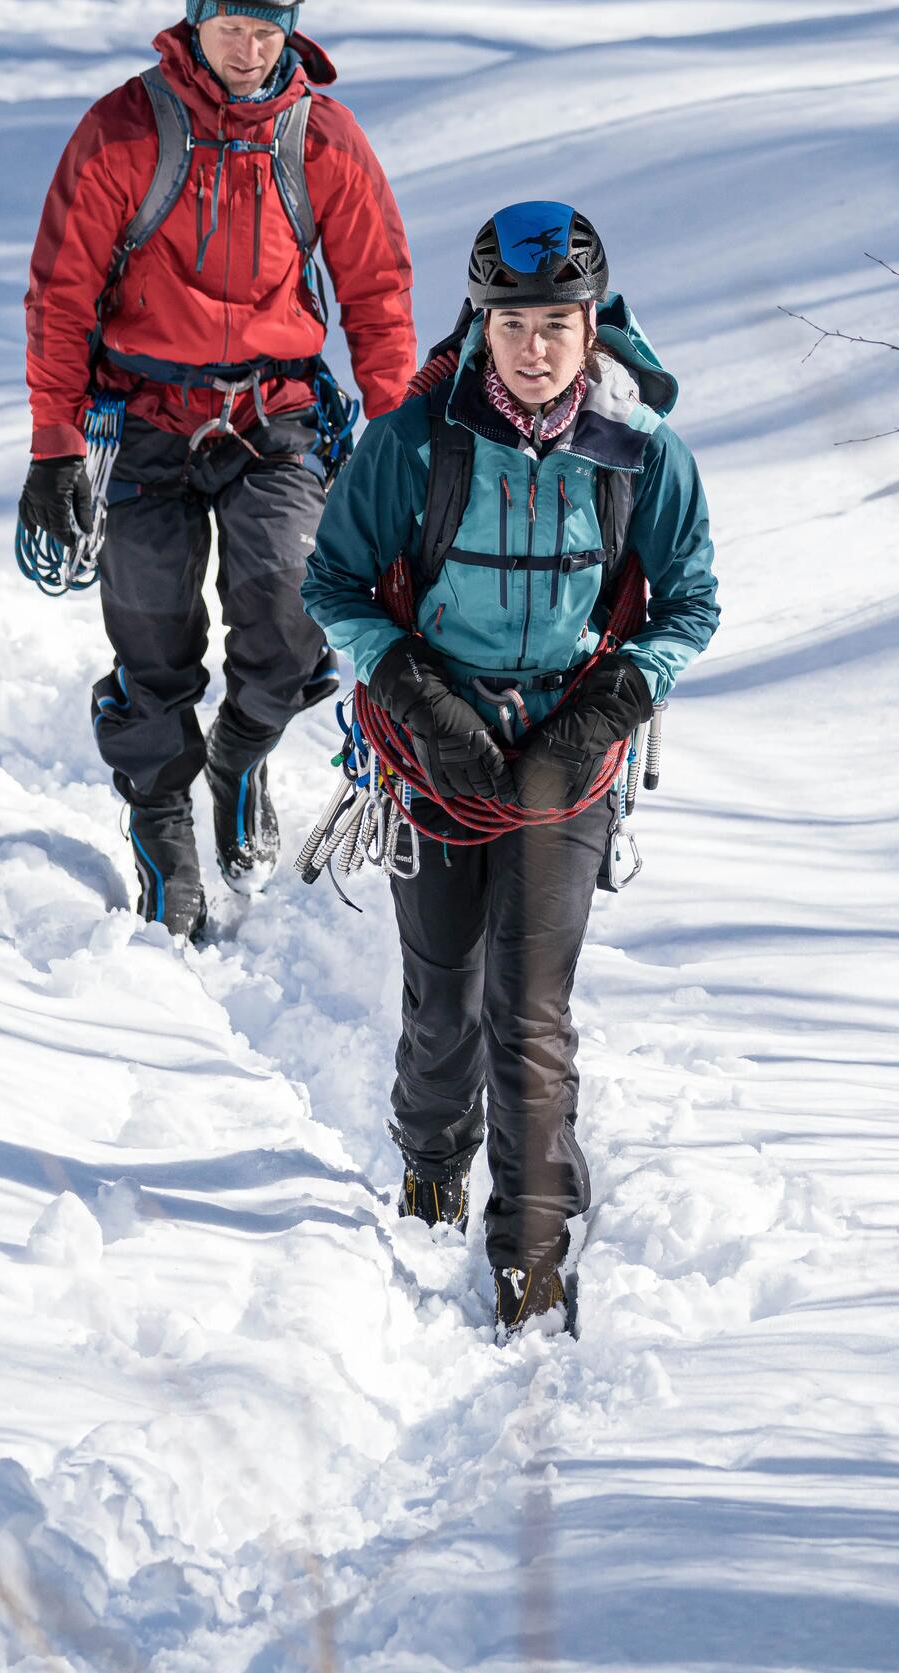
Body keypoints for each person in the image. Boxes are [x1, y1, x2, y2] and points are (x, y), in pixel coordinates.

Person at [301, 202, 719, 1338]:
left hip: (567, 755)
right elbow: (332, 585)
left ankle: (532, 1259)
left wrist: (618, 701)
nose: (536, 350)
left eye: (558, 325)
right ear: (481, 326)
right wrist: (414, 697)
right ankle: (433, 1157)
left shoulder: (641, 454)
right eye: (514, 324)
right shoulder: (416, 442)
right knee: (446, 999)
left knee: (530, 1010)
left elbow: (690, 602)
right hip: (435, 748)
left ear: (596, 328)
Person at [20, 0, 415, 942]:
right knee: (151, 632)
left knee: (291, 615)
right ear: (193, 14)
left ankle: (239, 758)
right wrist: (53, 448)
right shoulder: (121, 130)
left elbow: (377, 291)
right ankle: (162, 822)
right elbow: (61, 295)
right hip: (143, 419)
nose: (250, 45)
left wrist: (405, 436)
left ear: (295, 23)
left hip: (276, 415)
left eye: (270, 24)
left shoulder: (321, 137)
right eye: (232, 21)